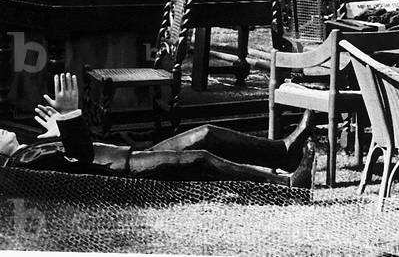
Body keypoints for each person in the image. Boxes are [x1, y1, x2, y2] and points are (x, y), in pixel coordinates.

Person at [0, 74, 314, 187]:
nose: (1, 130)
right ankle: (286, 186)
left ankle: (284, 153)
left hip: (128, 159)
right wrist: (67, 118)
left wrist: (54, 133)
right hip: (124, 172)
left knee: (206, 134)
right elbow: (81, 157)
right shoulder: (22, 162)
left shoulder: (26, 155)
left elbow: (69, 158)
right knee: (201, 160)